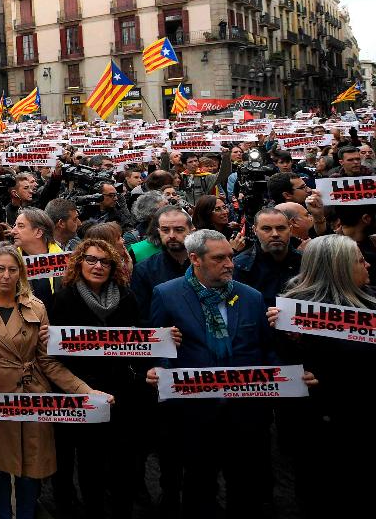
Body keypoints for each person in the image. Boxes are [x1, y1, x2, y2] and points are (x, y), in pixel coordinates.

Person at [145, 229, 315, 519]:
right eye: (219, 258)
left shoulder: (251, 297)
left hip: (246, 414)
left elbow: (266, 349)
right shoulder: (167, 294)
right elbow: (159, 346)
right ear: (195, 259)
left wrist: (292, 376)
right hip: (195, 413)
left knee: (245, 488)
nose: (229, 264)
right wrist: (159, 367)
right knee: (199, 486)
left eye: (230, 257)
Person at [0, 244, 108, 519]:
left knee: (31, 468)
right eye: (0, 269)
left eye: (12, 269)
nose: (6, 275)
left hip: (33, 395)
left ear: (21, 272)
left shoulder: (36, 307)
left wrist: (85, 391)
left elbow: (48, 362)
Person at [267, 234, 376, 516]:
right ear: (339, 268)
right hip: (318, 429)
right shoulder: (293, 311)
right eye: (360, 260)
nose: (367, 265)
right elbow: (282, 365)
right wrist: (294, 347)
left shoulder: (372, 302)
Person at [49, 240, 150, 519]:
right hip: (83, 392)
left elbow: (140, 341)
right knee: (90, 463)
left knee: (121, 463)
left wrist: (161, 340)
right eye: (91, 260)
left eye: (105, 262)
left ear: (113, 266)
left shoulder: (127, 297)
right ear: (79, 263)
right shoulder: (64, 298)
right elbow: (56, 354)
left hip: (122, 393)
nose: (98, 266)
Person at [129, 207, 193, 320]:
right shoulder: (144, 270)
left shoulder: (204, 264)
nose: (171, 235)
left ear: (191, 230)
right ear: (159, 231)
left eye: (179, 230)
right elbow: (142, 316)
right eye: (165, 230)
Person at [234, 207, 299, 306]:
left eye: (281, 228)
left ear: (290, 230)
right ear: (255, 230)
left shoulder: (307, 262)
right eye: (266, 229)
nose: (275, 234)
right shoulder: (241, 266)